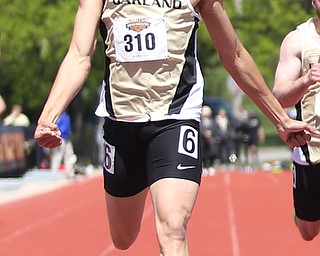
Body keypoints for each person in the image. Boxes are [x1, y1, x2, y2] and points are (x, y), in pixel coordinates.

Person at [34, 0, 318, 254]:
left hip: (176, 117)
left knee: (172, 227)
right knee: (122, 238)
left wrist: (279, 118)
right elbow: (79, 55)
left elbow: (233, 54)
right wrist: (49, 116)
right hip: (122, 120)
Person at [273, 0, 320, 241]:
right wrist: (306, 80)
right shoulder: (298, 40)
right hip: (311, 147)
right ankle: (303, 215)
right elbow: (279, 96)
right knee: (308, 231)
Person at [50, 111, 77, 178]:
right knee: (58, 155)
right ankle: (54, 173)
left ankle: (69, 172)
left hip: (66, 137)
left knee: (69, 154)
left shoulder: (65, 114)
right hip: (60, 137)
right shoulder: (57, 114)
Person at [200, 105, 217, 176]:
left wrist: (210, 134)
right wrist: (204, 134)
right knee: (203, 154)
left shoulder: (212, 122)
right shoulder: (200, 122)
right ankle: (204, 167)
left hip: (210, 141)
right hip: (203, 141)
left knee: (211, 153)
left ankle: (211, 166)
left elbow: (215, 130)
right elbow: (200, 129)